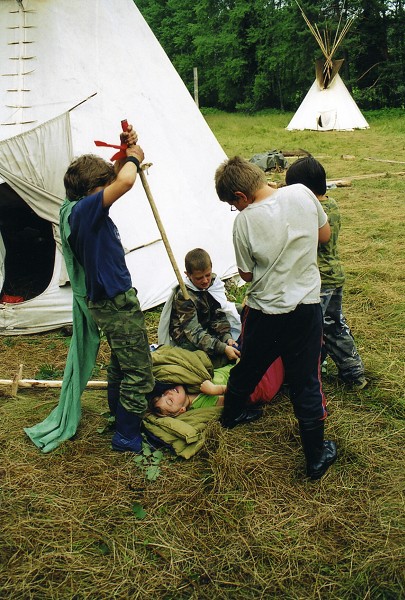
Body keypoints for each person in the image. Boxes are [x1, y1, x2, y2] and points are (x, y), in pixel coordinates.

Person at [214, 155, 336, 481]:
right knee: (307, 381)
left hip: (265, 311)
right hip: (306, 309)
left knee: (250, 364)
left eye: (232, 204)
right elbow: (323, 237)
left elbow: (246, 273)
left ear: (240, 197)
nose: (235, 210)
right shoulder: (301, 193)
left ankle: (230, 416)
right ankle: (316, 456)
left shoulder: (243, 221)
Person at [62, 123, 154, 453]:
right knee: (140, 373)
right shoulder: (87, 211)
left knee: (122, 362)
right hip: (115, 302)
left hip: (109, 300)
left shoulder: (78, 210)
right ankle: (127, 436)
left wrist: (123, 149)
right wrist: (133, 157)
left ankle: (119, 416)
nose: (109, 190)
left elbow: (117, 179)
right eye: (104, 187)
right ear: (92, 192)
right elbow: (125, 181)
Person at [285, 156, 367, 389]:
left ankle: (351, 372)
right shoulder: (331, 205)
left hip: (321, 282)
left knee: (321, 328)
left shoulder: (313, 211)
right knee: (330, 324)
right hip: (333, 276)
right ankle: (323, 367)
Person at [157, 248, 241, 368]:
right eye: (199, 278)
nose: (205, 280)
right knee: (208, 361)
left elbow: (218, 315)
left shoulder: (212, 284)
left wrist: (226, 337)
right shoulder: (184, 296)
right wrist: (222, 348)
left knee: (240, 313)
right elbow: (194, 332)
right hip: (187, 338)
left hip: (206, 329)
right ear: (188, 275)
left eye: (207, 275)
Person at [148, 359, 284, 417]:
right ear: (181, 410)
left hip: (240, 363)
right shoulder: (205, 403)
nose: (168, 393)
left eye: (163, 394)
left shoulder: (188, 384)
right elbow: (240, 398)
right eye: (169, 401)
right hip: (256, 378)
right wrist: (216, 390)